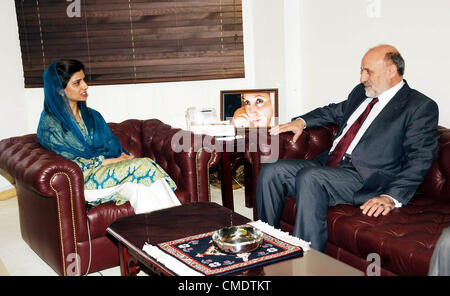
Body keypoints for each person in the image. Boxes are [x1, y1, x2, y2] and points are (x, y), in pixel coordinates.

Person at [257, 44, 439, 252]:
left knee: (311, 177)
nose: (362, 78)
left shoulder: (419, 106)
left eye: (368, 71)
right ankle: (265, 245)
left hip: (365, 178)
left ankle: (307, 261)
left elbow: (420, 158)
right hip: (331, 165)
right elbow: (334, 111)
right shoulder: (361, 94)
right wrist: (302, 121)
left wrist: (391, 196)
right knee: (272, 170)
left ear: (391, 71)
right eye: (361, 71)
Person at [37, 59, 181, 214]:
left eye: (84, 80)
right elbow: (68, 163)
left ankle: (165, 235)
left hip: (107, 177)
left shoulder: (92, 116)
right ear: (59, 89)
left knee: (142, 188)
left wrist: (121, 158)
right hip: (82, 183)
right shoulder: (51, 124)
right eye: (77, 83)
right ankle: (182, 224)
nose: (85, 85)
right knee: (144, 165)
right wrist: (111, 161)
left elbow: (110, 145)